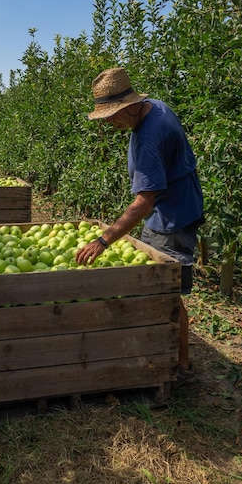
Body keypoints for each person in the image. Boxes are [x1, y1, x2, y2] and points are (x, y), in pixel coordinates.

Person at [75, 67, 204, 386]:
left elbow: (144, 201)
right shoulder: (156, 107)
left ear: (131, 106)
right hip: (176, 207)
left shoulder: (147, 137)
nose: (108, 122)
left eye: (113, 114)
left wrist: (103, 240)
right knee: (161, 291)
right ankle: (163, 354)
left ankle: (181, 367)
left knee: (167, 294)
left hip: (170, 219)